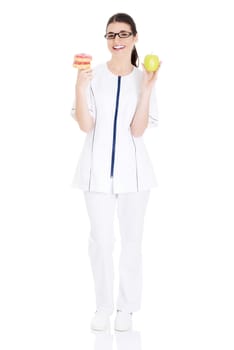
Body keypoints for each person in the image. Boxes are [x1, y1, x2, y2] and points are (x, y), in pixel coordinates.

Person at [71, 12, 161, 331]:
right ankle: (103, 306)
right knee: (101, 241)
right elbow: (86, 125)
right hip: (95, 174)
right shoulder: (92, 76)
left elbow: (137, 131)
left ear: (135, 38)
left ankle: (126, 309)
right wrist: (80, 88)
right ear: (106, 40)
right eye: (111, 35)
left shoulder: (144, 77)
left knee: (132, 242)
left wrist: (148, 88)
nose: (117, 40)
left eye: (123, 34)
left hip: (135, 175)